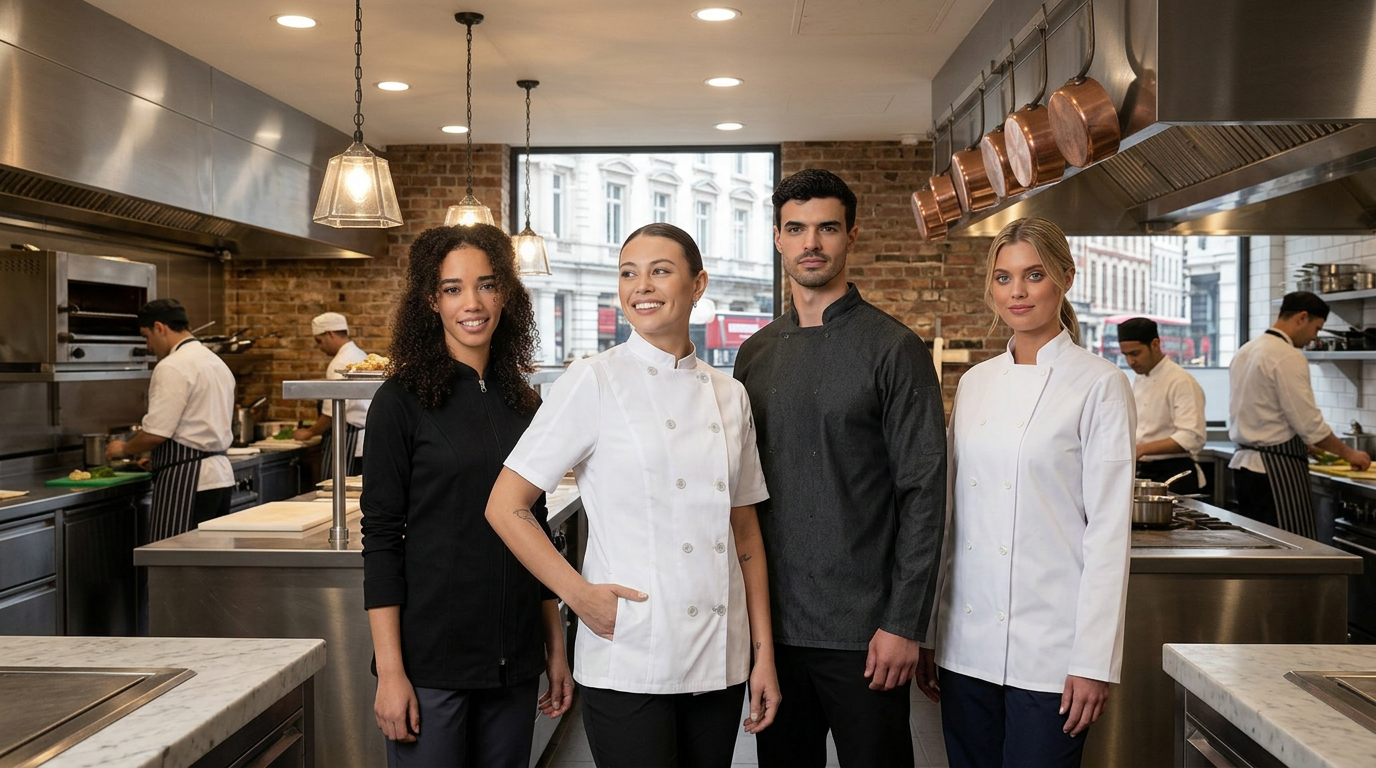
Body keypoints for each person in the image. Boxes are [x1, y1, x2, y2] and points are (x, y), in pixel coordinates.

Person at [485, 223, 779, 768]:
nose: (641, 286)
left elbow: (745, 536)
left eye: (660, 271)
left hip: (720, 653)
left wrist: (762, 655)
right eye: (628, 273)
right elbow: (505, 504)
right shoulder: (593, 380)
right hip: (631, 650)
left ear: (698, 284)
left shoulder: (730, 394)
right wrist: (578, 594)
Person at [733, 168, 947, 768]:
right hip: (774, 632)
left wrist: (906, 623)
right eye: (796, 229)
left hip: (867, 632)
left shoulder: (893, 348)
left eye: (827, 228)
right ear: (777, 238)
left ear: (851, 235)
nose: (811, 243)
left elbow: (925, 493)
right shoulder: (755, 353)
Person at [916, 217, 1134, 768]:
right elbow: (951, 517)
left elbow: (1109, 535)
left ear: (1064, 278)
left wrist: (1094, 661)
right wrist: (930, 633)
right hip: (966, 644)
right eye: (1004, 277)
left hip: (1053, 651)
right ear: (990, 287)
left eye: (1033, 275)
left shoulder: (1100, 384)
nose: (1017, 291)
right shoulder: (975, 383)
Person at [360, 224, 571, 768]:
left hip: (514, 660)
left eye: (486, 285)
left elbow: (535, 527)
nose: (471, 303)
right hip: (431, 665)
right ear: (431, 301)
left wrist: (555, 649)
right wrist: (390, 672)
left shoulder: (523, 402)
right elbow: (381, 539)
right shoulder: (399, 402)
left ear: (506, 295)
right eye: (453, 288)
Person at [1228, 291, 1371, 538]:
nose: (1314, 338)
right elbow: (1309, 424)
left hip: (1245, 469)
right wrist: (1350, 454)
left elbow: (1264, 413)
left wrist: (1308, 447)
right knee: (1290, 550)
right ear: (1302, 318)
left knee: (1257, 550)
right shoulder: (1287, 355)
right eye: (1317, 328)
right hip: (1273, 472)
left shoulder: (1247, 350)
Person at [106, 298, 235, 541]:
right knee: (209, 565)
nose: (149, 345)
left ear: (160, 327)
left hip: (188, 482)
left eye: (147, 336)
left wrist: (123, 448)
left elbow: (156, 433)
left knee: (175, 564)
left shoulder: (172, 366)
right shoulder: (215, 362)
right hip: (219, 478)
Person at [1119, 317, 1208, 495]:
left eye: (1135, 354)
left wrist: (1141, 449)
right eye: (1126, 355)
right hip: (1146, 473)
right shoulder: (1138, 379)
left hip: (1175, 473)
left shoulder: (1180, 381)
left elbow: (1192, 436)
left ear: (1155, 344)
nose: (1130, 362)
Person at [292, 312, 370, 479]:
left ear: (330, 333)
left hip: (349, 440)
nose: (319, 347)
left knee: (336, 492)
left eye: (319, 341)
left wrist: (309, 432)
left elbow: (332, 413)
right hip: (365, 442)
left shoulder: (340, 363)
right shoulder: (360, 355)